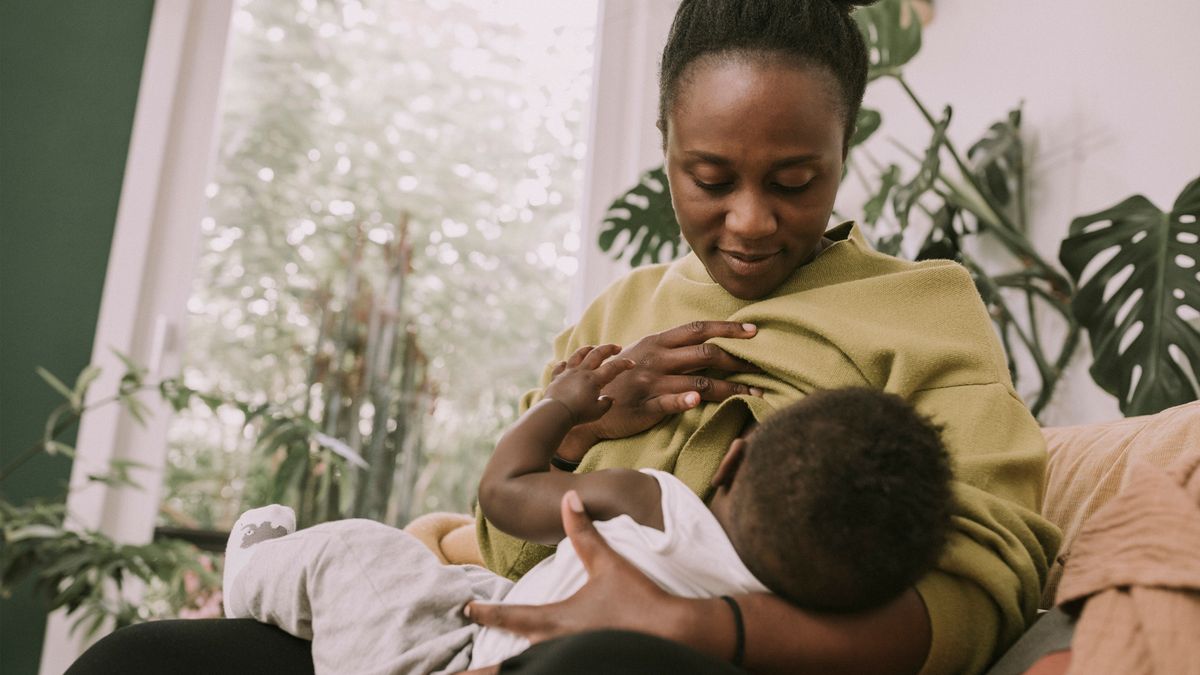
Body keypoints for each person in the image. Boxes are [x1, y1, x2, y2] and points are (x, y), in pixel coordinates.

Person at [68, 1, 1060, 673]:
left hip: (719, 655)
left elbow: (985, 586)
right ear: (666, 148)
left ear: (845, 152)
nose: (751, 220)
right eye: (710, 178)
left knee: (603, 663)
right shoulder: (617, 316)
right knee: (141, 659)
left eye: (795, 181)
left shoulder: (925, 309)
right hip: (503, 631)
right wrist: (577, 427)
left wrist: (705, 625)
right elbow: (503, 543)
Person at [218, 344, 953, 673]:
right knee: (451, 579)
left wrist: (563, 406)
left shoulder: (655, 502)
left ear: (731, 458)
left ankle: (250, 571)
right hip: (497, 610)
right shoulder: (785, 629)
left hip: (444, 658)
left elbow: (503, 494)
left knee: (356, 552)